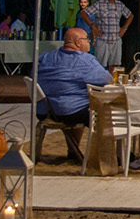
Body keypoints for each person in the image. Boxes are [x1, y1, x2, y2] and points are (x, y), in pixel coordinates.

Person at [33, 26, 114, 164]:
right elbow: (107, 80)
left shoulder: (44, 57)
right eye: (87, 39)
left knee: (79, 101)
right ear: (78, 42)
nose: (90, 41)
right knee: (106, 111)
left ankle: (73, 150)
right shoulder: (86, 60)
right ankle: (112, 156)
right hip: (68, 111)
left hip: (44, 110)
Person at [86, 0, 133, 69]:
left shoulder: (119, 4)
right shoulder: (99, 4)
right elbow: (84, 13)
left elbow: (130, 15)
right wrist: (93, 26)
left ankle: (112, 81)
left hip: (116, 39)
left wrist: (124, 28)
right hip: (103, 39)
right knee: (99, 66)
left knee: (115, 66)